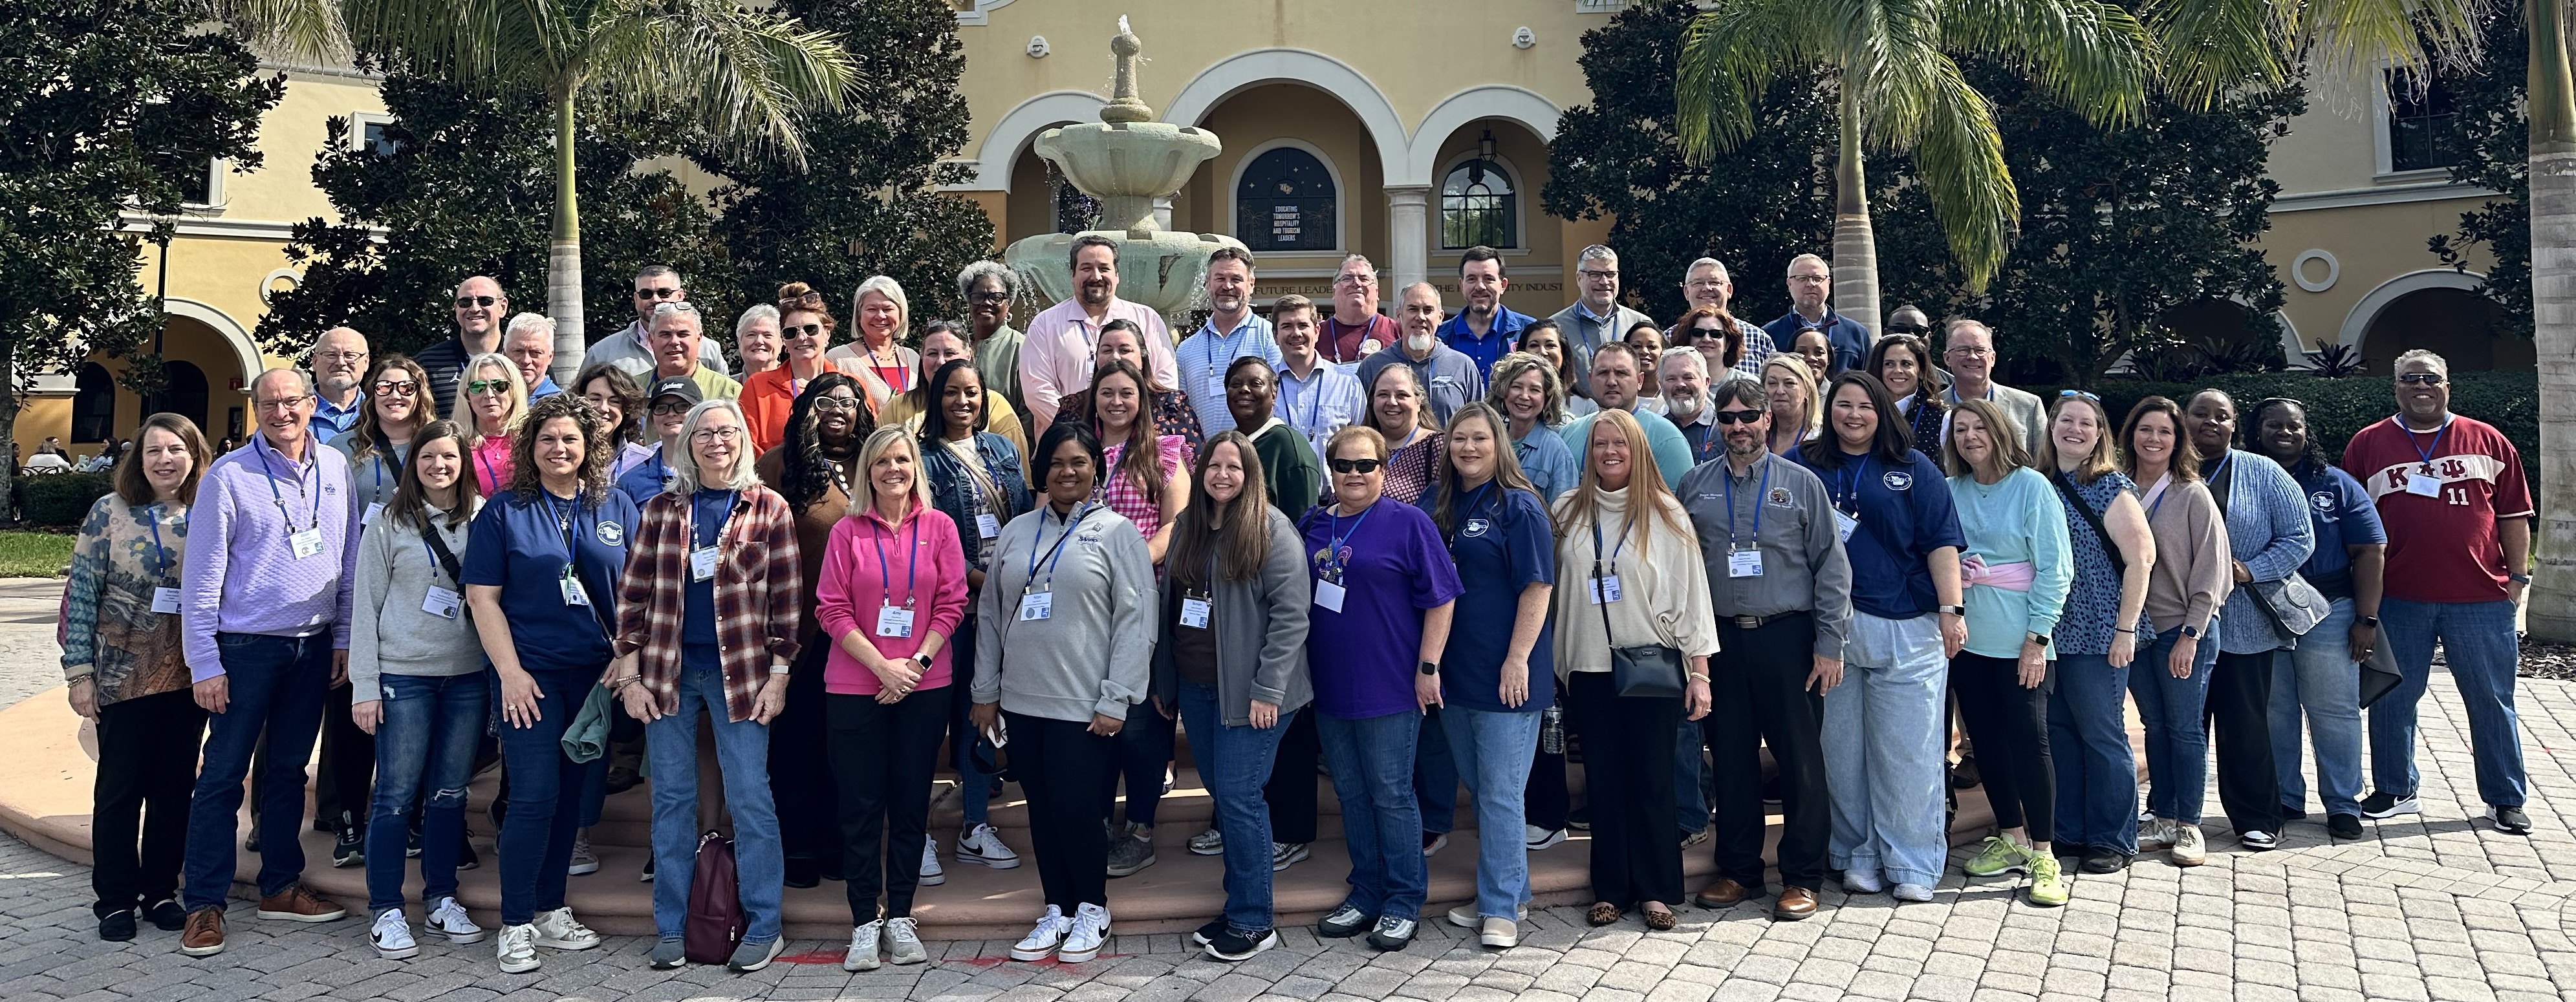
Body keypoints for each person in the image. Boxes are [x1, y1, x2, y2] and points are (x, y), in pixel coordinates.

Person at [605, 398, 800, 972]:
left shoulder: (769, 507)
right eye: (705, 433)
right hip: (668, 672)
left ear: (743, 439)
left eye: (727, 431)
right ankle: (672, 926)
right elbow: (632, 596)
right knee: (672, 799)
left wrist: (780, 676)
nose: (717, 442)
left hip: (743, 674)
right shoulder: (661, 509)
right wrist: (630, 675)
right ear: (688, 442)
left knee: (750, 796)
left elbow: (787, 602)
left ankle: (764, 925)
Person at [175, 370, 361, 956]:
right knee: (223, 774)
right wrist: (205, 663)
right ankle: (204, 903)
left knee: (287, 772)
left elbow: (348, 557)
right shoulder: (228, 476)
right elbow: (201, 576)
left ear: (312, 404)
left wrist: (344, 637)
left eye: (291, 401)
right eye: (269, 403)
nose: (282, 412)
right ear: (255, 409)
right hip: (245, 647)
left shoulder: (336, 467)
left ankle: (280, 886)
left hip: (313, 645)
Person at [460, 392, 636, 973]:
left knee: (572, 799)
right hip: (529, 677)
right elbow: (482, 599)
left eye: (570, 439)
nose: (559, 448)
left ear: (589, 447)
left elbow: (638, 592)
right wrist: (509, 674)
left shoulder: (615, 505)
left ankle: (551, 908)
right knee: (533, 795)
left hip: (595, 679)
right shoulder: (503, 511)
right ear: (530, 447)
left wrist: (627, 656)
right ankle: (515, 923)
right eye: (548, 439)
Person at [973, 422, 1154, 965]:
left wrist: (1117, 697)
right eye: (1055, 462)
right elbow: (991, 614)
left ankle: (1092, 907)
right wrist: (985, 690)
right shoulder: (1017, 531)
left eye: (1078, 462)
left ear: (1095, 468)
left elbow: (1136, 620)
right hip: (1020, 702)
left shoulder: (1117, 532)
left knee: (1077, 810)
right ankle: (1057, 907)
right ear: (1041, 470)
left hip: (1084, 706)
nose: (1067, 472)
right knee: (1043, 812)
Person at [2340, 350, 2533, 835]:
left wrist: (2516, 580)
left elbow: (2513, 516)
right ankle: (2394, 789)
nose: (2421, 386)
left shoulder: (2487, 440)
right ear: (2395, 388)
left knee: (2491, 700)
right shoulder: (2368, 444)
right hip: (2398, 598)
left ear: (2447, 386)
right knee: (2392, 698)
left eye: (2431, 378)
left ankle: (2505, 798)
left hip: (2481, 599)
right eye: (2410, 379)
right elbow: (2352, 526)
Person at [1677, 377, 1848, 922]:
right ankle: (1739, 872)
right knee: (1730, 760)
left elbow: (1831, 568)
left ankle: (1802, 875)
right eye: (1727, 418)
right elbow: (1679, 570)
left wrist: (1829, 644)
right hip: (1719, 640)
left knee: (1799, 762)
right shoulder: (1693, 485)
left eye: (1748, 416)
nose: (1738, 427)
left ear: (1766, 419)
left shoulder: (1801, 484)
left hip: (1787, 637)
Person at [1794, 372, 1966, 904]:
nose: (1853, 415)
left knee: (1907, 754)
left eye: (1864, 406)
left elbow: (1941, 543)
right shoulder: (1803, 465)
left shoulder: (1914, 468)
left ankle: (1912, 861)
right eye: (1842, 405)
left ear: (1882, 412)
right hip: (1831, 631)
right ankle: (1857, 855)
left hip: (1907, 627)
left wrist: (1951, 611)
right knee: (1842, 754)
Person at [1553, 409, 1717, 930]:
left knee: (1652, 780)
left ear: (1638, 450)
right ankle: (1610, 888)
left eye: (1619, 443)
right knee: (1603, 782)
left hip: (1650, 666)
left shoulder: (1666, 514)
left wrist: (1699, 672)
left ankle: (1655, 891)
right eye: (1599, 443)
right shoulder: (1566, 511)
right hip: (1588, 667)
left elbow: (1693, 598)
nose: (1609, 452)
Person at [810, 426, 967, 970]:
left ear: (914, 467)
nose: (892, 469)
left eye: (901, 459)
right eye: (881, 461)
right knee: (858, 808)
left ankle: (900, 915)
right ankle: (863, 920)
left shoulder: (940, 527)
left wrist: (915, 665)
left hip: (924, 686)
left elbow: (952, 603)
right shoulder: (846, 531)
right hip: (855, 686)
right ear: (867, 472)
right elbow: (830, 608)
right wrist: (882, 666)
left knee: (908, 804)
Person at [1152, 431, 1313, 961]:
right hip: (1197, 688)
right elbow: (1172, 605)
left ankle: (1253, 920)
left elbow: (1291, 618)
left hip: (1253, 694)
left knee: (1240, 798)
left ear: (1250, 475)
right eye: (1214, 466)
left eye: (1234, 467)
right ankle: (1240, 902)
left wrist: (1267, 690)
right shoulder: (1189, 527)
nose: (1222, 475)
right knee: (1225, 795)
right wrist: (1166, 683)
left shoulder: (1272, 529)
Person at [1303, 425, 1460, 952]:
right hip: (1329, 686)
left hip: (1390, 684)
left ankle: (1402, 899)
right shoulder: (1313, 525)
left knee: (1391, 794)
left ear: (1383, 469)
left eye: (1365, 465)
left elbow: (1441, 599)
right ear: (1331, 470)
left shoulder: (1409, 523)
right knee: (1351, 793)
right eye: (1343, 465)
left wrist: (1428, 667)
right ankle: (1366, 890)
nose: (1353, 474)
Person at [64, 413, 210, 942]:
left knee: (174, 791)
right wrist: (79, 673)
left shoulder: (210, 510)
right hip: (120, 675)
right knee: (119, 792)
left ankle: (161, 891)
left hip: (189, 675)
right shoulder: (109, 512)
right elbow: (82, 595)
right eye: (154, 451)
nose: (165, 460)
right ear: (138, 459)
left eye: (176, 449)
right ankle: (116, 900)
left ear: (195, 455)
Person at [348, 420, 488, 959]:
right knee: (395, 795)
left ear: (463, 462)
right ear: (414, 464)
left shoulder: (483, 517)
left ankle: (441, 898)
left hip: (467, 676)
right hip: (403, 676)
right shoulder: (388, 523)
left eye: (448, 456)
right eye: (428, 456)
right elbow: (365, 606)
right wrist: (365, 685)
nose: (438, 465)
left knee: (450, 793)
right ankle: (385, 908)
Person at [1421, 403, 1553, 948]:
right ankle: (1512, 893)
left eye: (1479, 438)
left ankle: (1498, 909)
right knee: (1480, 790)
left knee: (1500, 792)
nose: (1468, 448)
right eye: (1459, 439)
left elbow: (1537, 587)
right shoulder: (1438, 502)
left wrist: (1517, 657)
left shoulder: (1518, 506)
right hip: (1455, 672)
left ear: (1498, 444)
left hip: (1507, 675)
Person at [1940, 400, 2075, 906]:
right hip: (1968, 643)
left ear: (1999, 432)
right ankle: (2011, 837)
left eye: (1979, 427)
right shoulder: (1950, 490)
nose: (1969, 436)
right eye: (1960, 429)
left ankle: (2044, 852)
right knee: (1987, 744)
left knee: (2029, 744)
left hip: (2021, 643)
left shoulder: (2031, 487)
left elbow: (2055, 569)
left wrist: (2036, 639)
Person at [755, 372, 874, 888]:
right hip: (799, 629)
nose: (838, 410)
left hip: (864, 634)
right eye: (825, 401)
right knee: (797, 740)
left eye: (848, 402)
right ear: (806, 408)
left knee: (846, 744)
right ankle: (797, 844)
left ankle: (837, 842)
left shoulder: (875, 462)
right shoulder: (777, 466)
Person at [2181, 388, 2313, 852]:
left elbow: (2299, 538)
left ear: (2234, 424)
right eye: (2200, 413)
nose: (2210, 422)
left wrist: (2249, 570)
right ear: (2184, 418)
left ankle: (2257, 817)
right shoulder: (2160, 467)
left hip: (2243, 623)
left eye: (2221, 416)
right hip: (2175, 624)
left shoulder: (2263, 472)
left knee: (2245, 725)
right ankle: (2173, 812)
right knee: (2180, 725)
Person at [2248, 396, 2383, 840]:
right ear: (2256, 431)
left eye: (2294, 425)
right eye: (2273, 424)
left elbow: (2369, 550)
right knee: (2274, 710)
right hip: (2260, 609)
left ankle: (2342, 803)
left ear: (2307, 432)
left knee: (2333, 710)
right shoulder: (2242, 479)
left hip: (2329, 609)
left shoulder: (2336, 483)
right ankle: (2286, 797)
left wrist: (2366, 619)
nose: (2285, 432)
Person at [914, 360, 1028, 873]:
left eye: (972, 393)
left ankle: (975, 827)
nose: (963, 401)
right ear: (936, 398)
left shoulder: (1002, 449)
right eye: (952, 393)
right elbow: (926, 535)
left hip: (1003, 607)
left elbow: (1023, 518)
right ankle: (916, 831)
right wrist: (982, 582)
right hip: (952, 607)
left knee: (983, 715)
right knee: (930, 718)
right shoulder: (922, 457)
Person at [2035, 392, 2156, 874]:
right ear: (2051, 427)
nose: (2075, 430)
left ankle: (2112, 838)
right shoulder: (2039, 481)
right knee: (2060, 732)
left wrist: (2125, 629)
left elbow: (2141, 559)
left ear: (2100, 433)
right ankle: (2069, 830)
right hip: (2050, 629)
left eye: (2086, 423)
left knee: (2102, 733)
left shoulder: (2110, 486)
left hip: (2098, 629)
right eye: (2066, 420)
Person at [1086, 356, 1189, 876]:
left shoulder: (1165, 452)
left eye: (1126, 392)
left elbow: (1176, 526)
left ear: (1141, 400)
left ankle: (1141, 828)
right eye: (1107, 392)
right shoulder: (1078, 451)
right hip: (1087, 606)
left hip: (1144, 598)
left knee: (1140, 723)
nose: (1117, 401)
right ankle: (1102, 822)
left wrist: (1127, 564)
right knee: (1095, 718)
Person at [2122, 396, 2230, 868]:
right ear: (2131, 435)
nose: (2153, 439)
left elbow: (2213, 570)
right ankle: (2162, 815)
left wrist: (2191, 634)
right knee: (2155, 725)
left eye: (2164, 431)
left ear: (2177, 439)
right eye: (2145, 429)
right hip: (2135, 630)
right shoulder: (2117, 489)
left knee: (2185, 728)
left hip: (2182, 629)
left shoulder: (2191, 494)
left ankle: (2189, 823)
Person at [1023, 236, 1180, 434]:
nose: (1096, 276)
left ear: (1117, 275)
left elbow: (1164, 384)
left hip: (1136, 443)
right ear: (1072, 275)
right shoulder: (1045, 325)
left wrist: (1125, 431)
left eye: (1104, 268)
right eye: (1086, 268)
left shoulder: (1147, 320)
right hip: (1068, 444)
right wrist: (1082, 433)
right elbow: (1037, 392)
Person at [873, 321, 1032, 462]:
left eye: (950, 353)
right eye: (932, 354)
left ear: (968, 355)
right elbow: (878, 463)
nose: (941, 361)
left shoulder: (994, 404)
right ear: (922, 357)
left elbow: (1019, 475)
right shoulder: (897, 407)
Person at [741, 282, 865, 455]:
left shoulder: (852, 386)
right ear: (784, 340)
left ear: (827, 333)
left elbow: (867, 440)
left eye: (810, 329)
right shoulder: (758, 386)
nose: (801, 337)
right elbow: (748, 447)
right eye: (791, 332)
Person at [1054, 320, 1206, 458]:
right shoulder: (1073, 407)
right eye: (1107, 350)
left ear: (1143, 358)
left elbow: (1198, 464)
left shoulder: (1171, 405)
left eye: (1124, 350)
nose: (1115, 357)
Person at [1557, 343, 1694, 491]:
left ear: (1640, 380)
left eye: (1621, 373)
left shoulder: (1667, 438)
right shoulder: (1569, 433)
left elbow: (1679, 501)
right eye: (1603, 373)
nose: (1611, 382)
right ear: (1590, 379)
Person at [1175, 248, 1281, 436]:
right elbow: (1182, 413)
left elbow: (1280, 400)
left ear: (1251, 284)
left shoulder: (1271, 338)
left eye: (1236, 279)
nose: (1228, 286)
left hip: (1257, 450)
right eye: (1220, 278)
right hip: (1206, 453)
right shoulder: (1187, 349)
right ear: (1207, 283)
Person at [1356, 282, 1485, 427]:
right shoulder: (1372, 366)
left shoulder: (1463, 367)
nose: (1421, 317)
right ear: (1399, 314)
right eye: (1413, 309)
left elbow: (1478, 424)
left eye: (1428, 310)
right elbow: (1362, 426)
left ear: (1440, 317)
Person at [585, 265, 731, 382]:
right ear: (636, 299)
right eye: (646, 294)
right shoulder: (602, 353)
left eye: (664, 293)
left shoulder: (709, 350)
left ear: (680, 296)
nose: (655, 300)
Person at [340, 356, 434, 524]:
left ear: (420, 395)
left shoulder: (438, 447)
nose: (395, 395)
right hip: (363, 541)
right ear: (373, 394)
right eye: (384, 387)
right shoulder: (342, 447)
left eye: (407, 388)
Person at [1272, 293, 1366, 459]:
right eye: (1287, 326)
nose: (1296, 333)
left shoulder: (1348, 385)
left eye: (1303, 325)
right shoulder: (1263, 386)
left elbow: (1363, 443)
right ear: (1275, 336)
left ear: (1316, 331)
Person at [1224, 356, 1322, 515]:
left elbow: (1301, 523)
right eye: (1235, 384)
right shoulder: (1227, 446)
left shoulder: (1289, 447)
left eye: (1256, 384)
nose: (1244, 389)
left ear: (1274, 395)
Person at [1939, 320, 2045, 453]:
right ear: (1947, 358)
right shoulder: (1931, 408)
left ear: (1993, 358)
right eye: (1963, 350)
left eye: (1980, 350)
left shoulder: (2029, 406)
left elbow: (2045, 460)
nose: (1973, 356)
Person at [413, 277, 510, 419]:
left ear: (503, 307)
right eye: (465, 302)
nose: (475, 308)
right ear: (456, 308)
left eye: (485, 301)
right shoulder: (426, 364)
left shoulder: (522, 360)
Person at [1488, 352, 1576, 502]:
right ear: (1503, 390)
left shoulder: (1557, 453)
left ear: (1547, 398)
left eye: (1534, 390)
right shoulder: (1489, 440)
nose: (1524, 396)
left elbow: (1564, 513)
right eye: (1517, 387)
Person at [1434, 246, 1534, 379]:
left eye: (1488, 279)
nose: (1480, 287)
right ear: (1461, 285)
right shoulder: (1440, 337)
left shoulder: (1528, 332)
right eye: (1472, 279)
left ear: (1503, 285)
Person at [1762, 254, 1870, 377]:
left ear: (1828, 283)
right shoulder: (1770, 334)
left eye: (1818, 278)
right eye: (1802, 278)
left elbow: (1868, 380)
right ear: (1789, 284)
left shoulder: (1856, 333)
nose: (1811, 284)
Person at [829, 276, 924, 412]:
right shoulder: (838, 360)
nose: (880, 316)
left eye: (888, 309)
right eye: (872, 309)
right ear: (859, 315)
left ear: (901, 313)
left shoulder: (914, 359)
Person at [1671, 258, 1775, 375]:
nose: (1707, 288)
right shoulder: (1668, 338)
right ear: (1686, 292)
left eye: (1714, 282)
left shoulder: (1759, 339)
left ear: (1729, 290)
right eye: (1698, 283)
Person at [1360, 364, 1444, 506]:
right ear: (1373, 401)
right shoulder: (1360, 447)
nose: (1392, 402)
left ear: (1418, 402)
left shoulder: (1438, 447)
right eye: (1383, 395)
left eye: (1402, 395)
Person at [960, 261, 1028, 421]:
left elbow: (1029, 411)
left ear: (1008, 304)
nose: (986, 303)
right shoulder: (959, 346)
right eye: (978, 297)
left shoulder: (1022, 347)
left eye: (996, 297)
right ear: (969, 302)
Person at [616, 378, 699, 506]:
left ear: (700, 413)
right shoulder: (630, 483)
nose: (671, 413)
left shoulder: (716, 472)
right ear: (653, 419)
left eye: (682, 406)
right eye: (661, 408)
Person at [645, 302, 742, 403]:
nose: (674, 342)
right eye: (666, 334)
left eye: (682, 334)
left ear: (699, 339)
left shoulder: (729, 392)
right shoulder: (636, 389)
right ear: (651, 340)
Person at [460, 353, 528, 496]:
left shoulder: (531, 440)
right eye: (478, 387)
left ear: (514, 391)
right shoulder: (457, 444)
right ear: (467, 395)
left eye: (499, 386)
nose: (489, 394)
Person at [1317, 254, 1400, 367]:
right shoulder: (1315, 335)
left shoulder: (1398, 332)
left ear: (1377, 292)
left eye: (1364, 279)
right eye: (1347, 278)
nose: (1356, 283)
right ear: (1334, 293)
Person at [1870, 333, 1947, 452]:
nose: (1898, 371)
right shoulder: (1865, 410)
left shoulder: (1942, 417)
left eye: (1906, 364)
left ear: (1921, 371)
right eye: (1889, 364)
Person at [574, 364, 653, 479]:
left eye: (614, 401)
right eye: (595, 399)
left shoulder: (644, 461)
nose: (603, 408)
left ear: (626, 408)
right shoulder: (564, 455)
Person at [1515, 321, 1595, 423]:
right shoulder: (1511, 401)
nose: (1542, 352)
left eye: (1550, 345)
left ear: (1563, 352)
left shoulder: (1588, 408)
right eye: (1534, 345)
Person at [309, 326, 373, 445]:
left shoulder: (377, 413)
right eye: (331, 355)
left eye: (350, 355)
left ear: (366, 362)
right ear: (315, 362)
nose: (341, 363)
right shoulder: (294, 413)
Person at [1656, 350, 1719, 466]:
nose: (1680, 384)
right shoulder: (1653, 431)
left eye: (1688, 377)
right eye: (1671, 379)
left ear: (1707, 383)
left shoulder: (1724, 428)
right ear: (1661, 385)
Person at [1672, 304, 1759, 381]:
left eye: (1716, 334)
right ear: (1687, 339)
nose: (1707, 339)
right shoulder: (1674, 384)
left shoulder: (1749, 384)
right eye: (1698, 333)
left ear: (1727, 344)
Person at [1763, 355, 1822, 456]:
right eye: (1772, 383)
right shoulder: (1758, 435)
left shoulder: (1821, 437)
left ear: (1807, 390)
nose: (1780, 391)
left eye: (1789, 383)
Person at [502, 314, 564, 401]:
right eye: (518, 351)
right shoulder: (489, 400)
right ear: (504, 354)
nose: (526, 361)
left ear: (550, 357)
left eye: (535, 353)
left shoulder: (561, 405)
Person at [734, 304, 783, 380]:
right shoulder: (726, 386)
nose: (759, 341)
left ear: (781, 342)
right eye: (751, 335)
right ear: (739, 342)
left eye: (767, 335)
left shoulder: (798, 385)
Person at [1623, 321, 1667, 405]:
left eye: (1652, 347)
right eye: (1637, 346)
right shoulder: (1618, 396)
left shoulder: (1674, 393)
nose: (1644, 351)